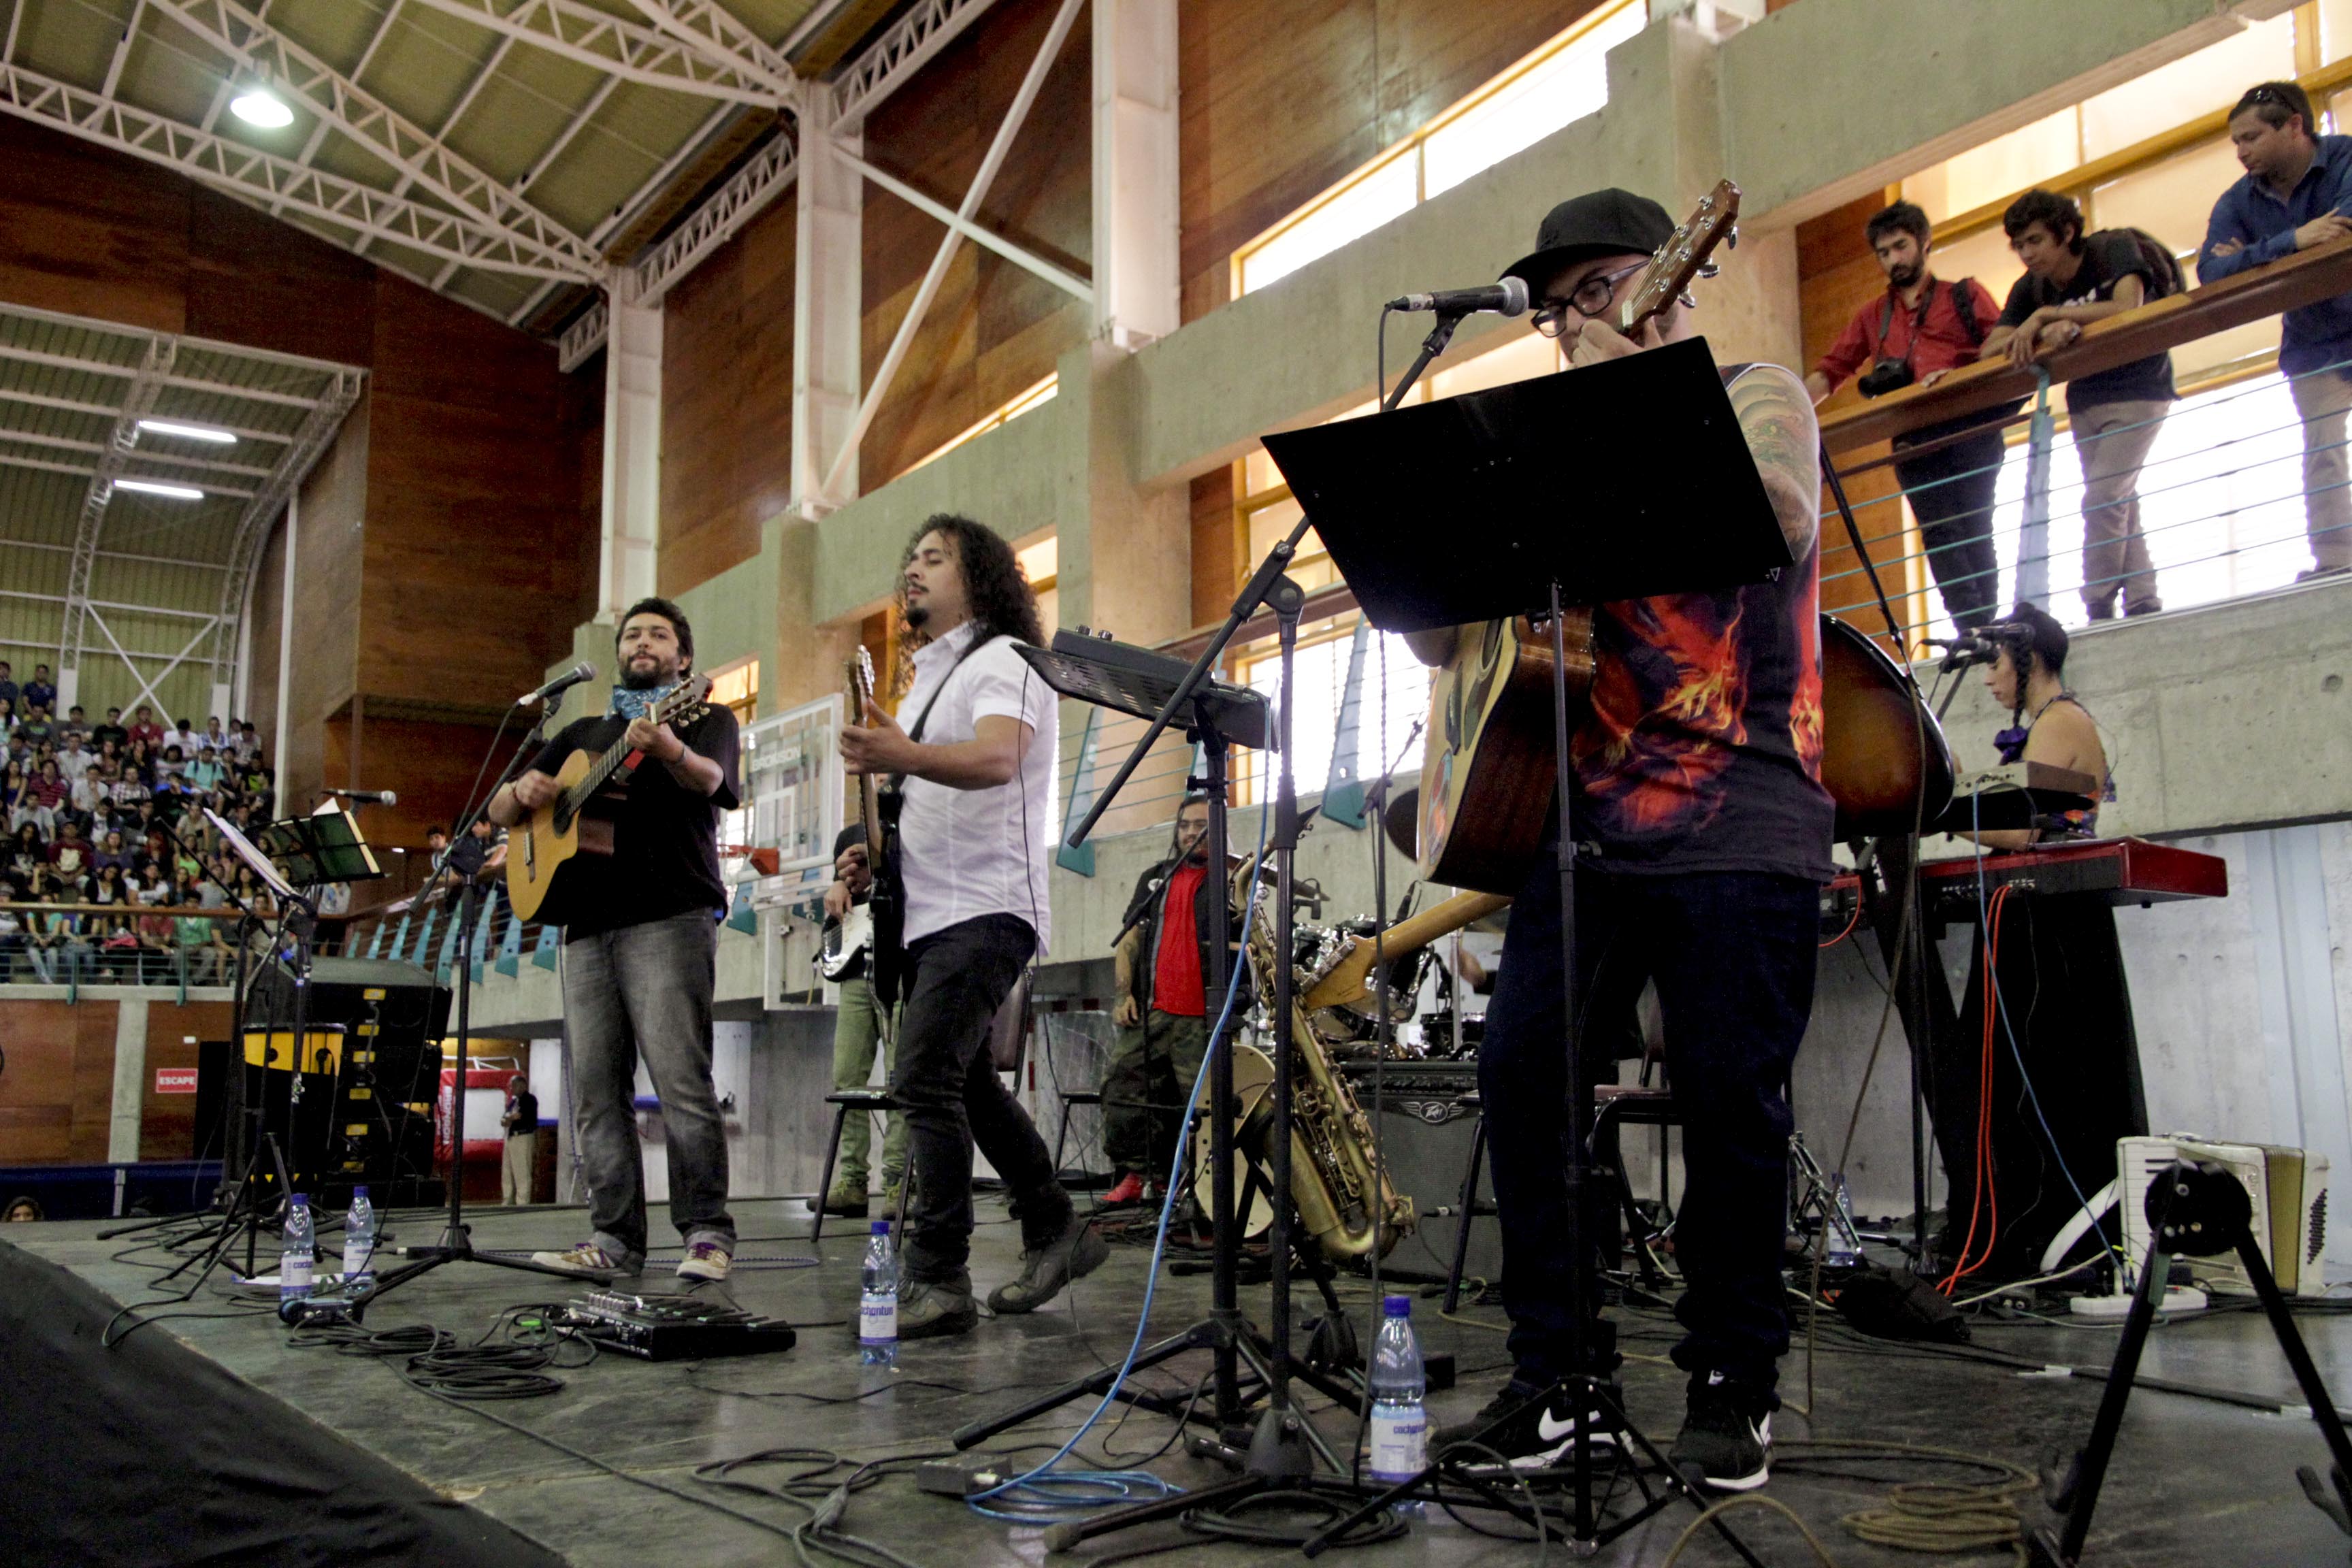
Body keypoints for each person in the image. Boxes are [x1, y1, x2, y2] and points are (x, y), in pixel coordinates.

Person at [1422, 189, 1833, 1493]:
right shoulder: (1549, 454)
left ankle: (1733, 1380)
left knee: (1729, 1104)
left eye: (1598, 288)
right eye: (1560, 309)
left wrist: (1642, 403)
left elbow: (1781, 518)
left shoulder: (1759, 392)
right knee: (1519, 1077)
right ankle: (1558, 1380)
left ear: (1674, 281)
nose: (1575, 320)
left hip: (1740, 812)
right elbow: (1448, 636)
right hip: (1579, 828)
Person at [836, 514, 1102, 1339]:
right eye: (911, 557)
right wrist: (874, 855)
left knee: (922, 1079)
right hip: (934, 911)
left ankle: (939, 1275)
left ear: (978, 577)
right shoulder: (929, 681)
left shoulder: (1005, 660)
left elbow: (997, 759)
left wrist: (902, 757)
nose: (913, 569)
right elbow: (927, 797)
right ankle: (1055, 1226)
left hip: (987, 905)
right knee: (967, 1083)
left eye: (935, 558)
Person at [489, 598, 741, 1283]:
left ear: (684, 659)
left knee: (681, 1083)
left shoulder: (704, 717)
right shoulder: (580, 732)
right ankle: (614, 1240)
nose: (643, 642)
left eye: (659, 634)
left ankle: (707, 1233)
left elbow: (714, 783)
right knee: (597, 1094)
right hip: (585, 925)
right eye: (632, 634)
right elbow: (500, 810)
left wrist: (669, 749)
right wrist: (523, 792)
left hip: (670, 914)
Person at [1931, 604, 2140, 1279]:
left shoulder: (2061, 721)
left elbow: (2023, 828)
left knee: (2041, 1079)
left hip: (2054, 928)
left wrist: (1939, 803)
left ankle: (2039, 1233)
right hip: (2031, 919)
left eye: (1995, 663)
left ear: (2030, 660)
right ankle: (2015, 1228)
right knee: (2012, 1076)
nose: (1989, 678)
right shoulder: (2045, 724)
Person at [1979, 190, 2176, 621]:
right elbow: (1990, 348)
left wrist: (2045, 316)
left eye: (2035, 241)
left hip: (2141, 386)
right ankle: (2143, 597)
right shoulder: (2030, 286)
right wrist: (2040, 333)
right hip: (2086, 397)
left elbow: (2127, 305)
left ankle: (2097, 599)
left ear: (2066, 233)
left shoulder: (2112, 249)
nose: (2027, 254)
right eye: (2019, 245)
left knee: (2103, 496)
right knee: (2119, 497)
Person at [1807, 201, 2006, 630]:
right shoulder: (1872, 316)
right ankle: (1973, 628)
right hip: (1911, 434)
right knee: (1938, 531)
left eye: (1900, 247)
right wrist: (1790, 408)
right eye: (1883, 253)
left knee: (1975, 526)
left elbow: (2004, 343)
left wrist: (1955, 375)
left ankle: (1987, 626)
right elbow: (1832, 370)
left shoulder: (1965, 295)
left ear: (1924, 242)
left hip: (1971, 424)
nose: (1893, 259)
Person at [2200, 80, 2352, 583]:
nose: (2241, 153)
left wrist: (2252, 255)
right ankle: (2337, 562)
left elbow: (2347, 228)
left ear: (2294, 126)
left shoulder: (2346, 157)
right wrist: (2296, 239)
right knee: (2323, 451)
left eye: (2251, 138)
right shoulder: (2237, 199)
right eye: (2236, 142)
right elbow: (2211, 272)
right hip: (2311, 342)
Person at [1100, 794, 1220, 1209]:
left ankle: (1196, 1191)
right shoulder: (1156, 879)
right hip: (1153, 1011)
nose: (1191, 833)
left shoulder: (1229, 881)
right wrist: (1123, 995)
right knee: (1122, 1089)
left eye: (1201, 825)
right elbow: (1128, 940)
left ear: (1218, 829)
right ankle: (1138, 1175)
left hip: (1202, 1020)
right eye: (1185, 825)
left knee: (1200, 1111)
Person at [818, 824, 906, 1220]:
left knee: (900, 1079)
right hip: (856, 972)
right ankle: (853, 1182)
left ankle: (899, 1183)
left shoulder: (906, 825)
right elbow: (842, 886)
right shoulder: (849, 835)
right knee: (847, 1077)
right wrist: (838, 885)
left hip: (901, 968)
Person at [500, 1072, 540, 1205]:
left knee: (522, 1170)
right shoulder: (513, 1102)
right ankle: (507, 1199)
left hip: (522, 1137)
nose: (511, 1089)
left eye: (514, 1086)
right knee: (507, 1171)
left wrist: (509, 1118)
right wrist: (507, 1119)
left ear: (523, 1086)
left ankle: (522, 1201)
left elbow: (518, 1116)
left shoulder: (530, 1100)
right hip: (511, 1137)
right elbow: (505, 1118)